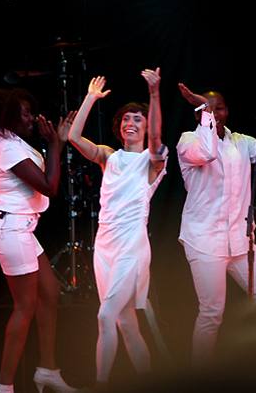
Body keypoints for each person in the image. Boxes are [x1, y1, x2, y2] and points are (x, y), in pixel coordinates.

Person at [176, 77, 256, 364]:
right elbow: (207, 152)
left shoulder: (240, 142)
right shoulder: (187, 141)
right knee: (212, 312)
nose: (216, 114)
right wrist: (204, 112)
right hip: (204, 241)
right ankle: (200, 377)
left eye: (220, 108)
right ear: (199, 114)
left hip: (240, 240)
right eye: (209, 109)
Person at [67, 71, 166, 387]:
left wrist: (153, 94)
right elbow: (73, 137)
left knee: (105, 316)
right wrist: (90, 98)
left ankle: (101, 386)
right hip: (105, 246)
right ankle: (150, 381)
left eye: (138, 118)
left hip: (132, 247)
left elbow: (156, 140)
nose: (131, 122)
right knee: (126, 323)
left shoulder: (153, 160)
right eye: (126, 118)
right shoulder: (109, 156)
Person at [0, 88, 76, 393]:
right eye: (26, 113)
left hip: (20, 226)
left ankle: (47, 371)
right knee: (25, 305)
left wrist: (53, 143)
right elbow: (49, 187)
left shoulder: (13, 141)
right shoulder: (8, 148)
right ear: (8, 117)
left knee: (50, 291)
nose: (32, 118)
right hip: (10, 229)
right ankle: (4, 385)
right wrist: (55, 145)